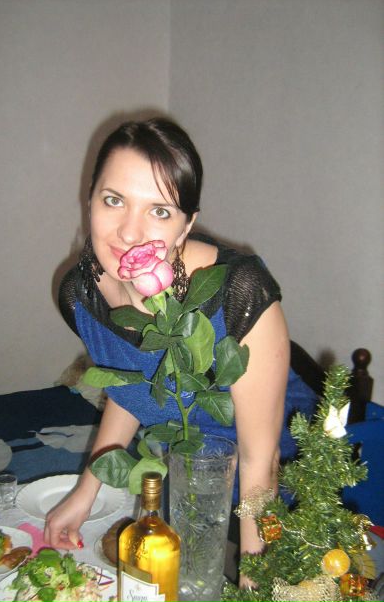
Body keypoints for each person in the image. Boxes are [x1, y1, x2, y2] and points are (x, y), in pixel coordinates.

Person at [44, 117, 316, 587]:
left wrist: (254, 579)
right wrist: (85, 493)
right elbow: (132, 387)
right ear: (89, 199)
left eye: (160, 210)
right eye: (114, 200)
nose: (130, 232)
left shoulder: (239, 295)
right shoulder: (79, 295)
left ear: (186, 224)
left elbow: (261, 463)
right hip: (188, 473)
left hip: (283, 489)